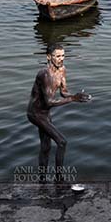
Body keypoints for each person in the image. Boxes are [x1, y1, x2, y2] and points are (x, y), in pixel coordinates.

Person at [27, 44, 90, 179]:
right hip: (35, 113)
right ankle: (59, 178)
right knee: (62, 142)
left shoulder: (62, 70)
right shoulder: (44, 75)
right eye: (57, 56)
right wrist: (73, 99)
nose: (61, 59)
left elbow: (63, 92)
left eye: (63, 56)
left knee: (46, 146)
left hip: (45, 113)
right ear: (49, 57)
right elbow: (49, 101)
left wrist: (77, 96)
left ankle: (42, 178)